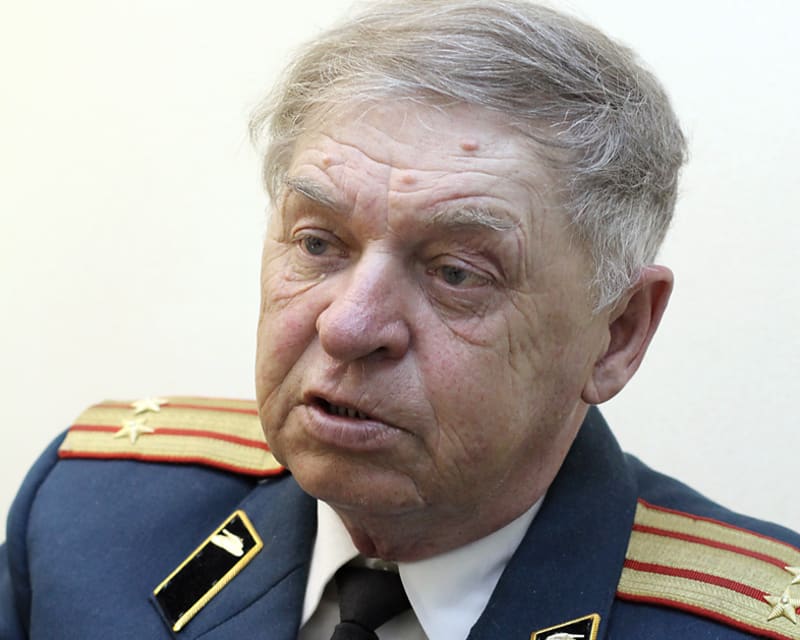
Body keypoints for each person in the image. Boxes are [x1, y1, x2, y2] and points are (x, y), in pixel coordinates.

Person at [2, 1, 799, 639]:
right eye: (318, 244)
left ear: (617, 334)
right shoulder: (90, 517)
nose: (348, 328)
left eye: (456, 273)